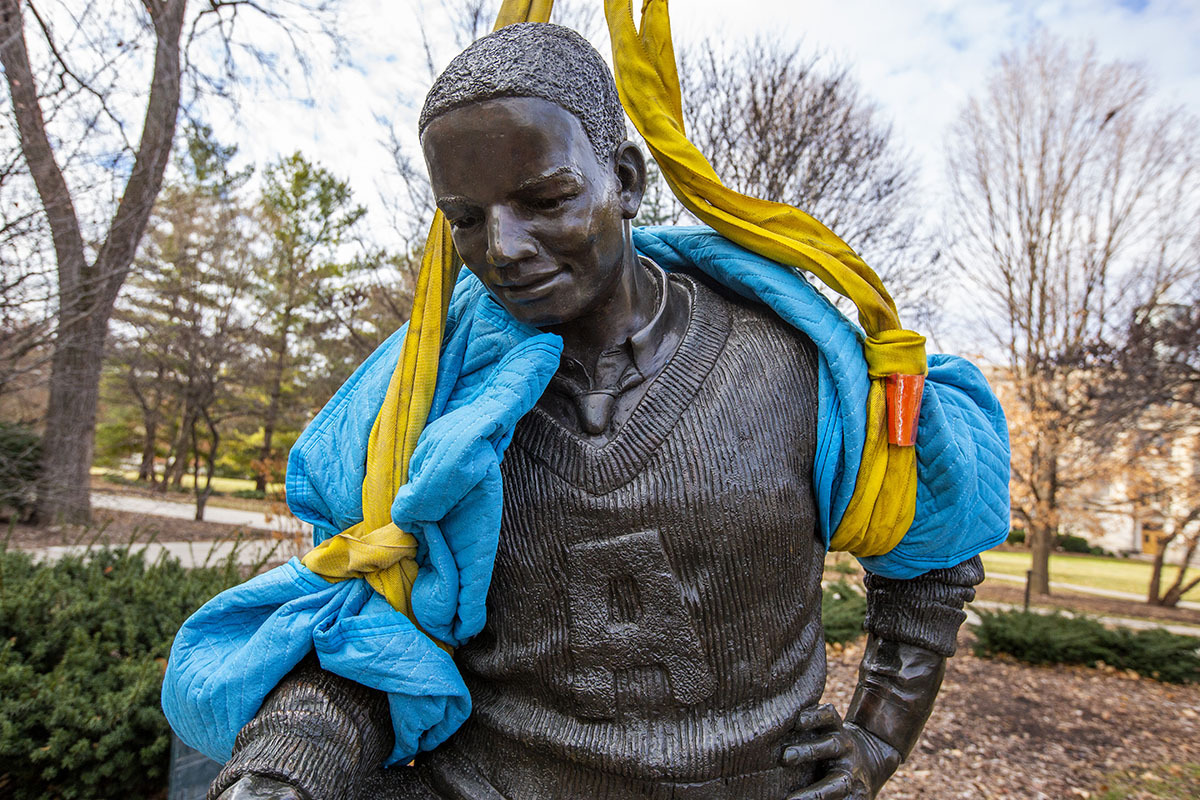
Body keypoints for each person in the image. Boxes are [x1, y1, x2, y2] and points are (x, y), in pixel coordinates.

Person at [195, 23, 995, 800]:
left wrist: (879, 738)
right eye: (466, 219)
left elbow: (931, 560)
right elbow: (368, 630)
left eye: (545, 199)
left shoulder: (793, 366)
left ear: (626, 178)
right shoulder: (430, 401)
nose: (503, 248)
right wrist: (285, 768)